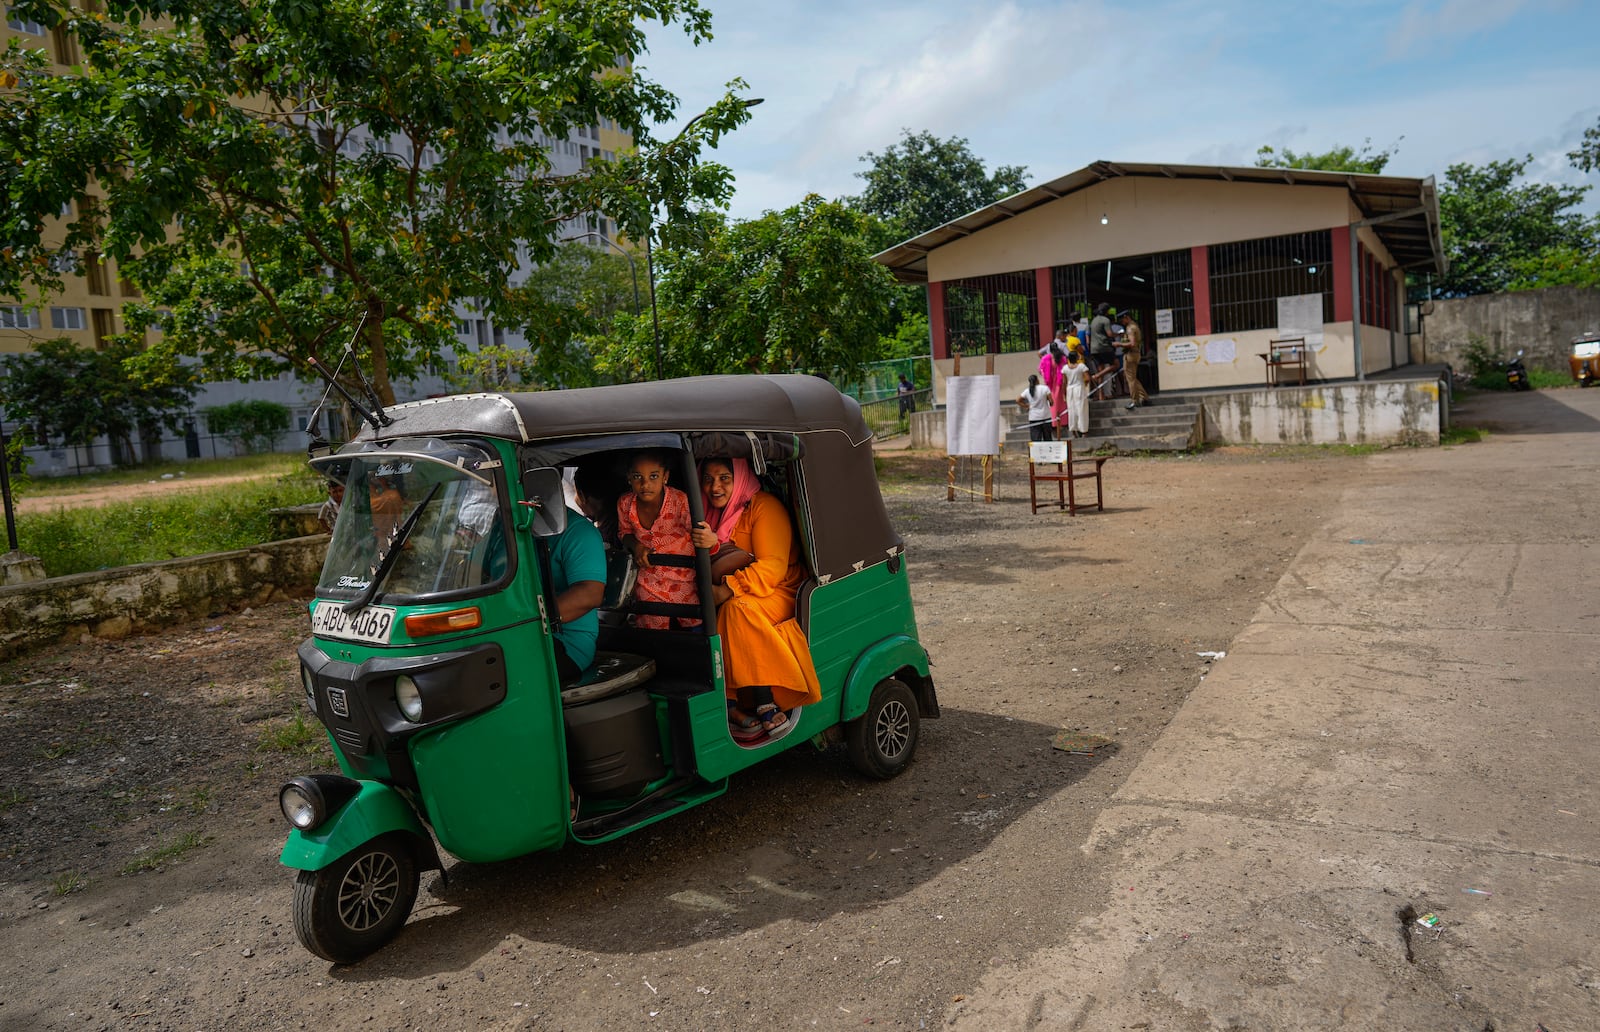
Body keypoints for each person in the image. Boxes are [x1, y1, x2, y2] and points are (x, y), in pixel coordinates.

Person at [690, 457, 821, 740]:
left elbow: (772, 568)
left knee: (737, 609)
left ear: (739, 478)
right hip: (739, 590)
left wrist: (726, 589)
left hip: (779, 589)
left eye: (725, 478)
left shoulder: (764, 507)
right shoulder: (706, 514)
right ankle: (726, 704)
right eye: (708, 479)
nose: (715, 487)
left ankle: (761, 699)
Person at [616, 450, 699, 630]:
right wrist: (637, 546)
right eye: (638, 476)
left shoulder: (679, 501)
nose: (645, 484)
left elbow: (697, 532)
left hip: (683, 579)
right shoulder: (625, 503)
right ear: (629, 478)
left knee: (693, 631)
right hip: (648, 580)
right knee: (653, 637)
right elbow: (624, 532)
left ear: (665, 477)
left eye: (653, 476)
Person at [547, 506, 606, 685]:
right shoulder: (502, 525)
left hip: (563, 641)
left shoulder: (578, 531)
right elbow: (475, 572)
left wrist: (522, 621)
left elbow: (590, 594)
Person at [1119, 311, 1150, 408]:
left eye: (1122, 319)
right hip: (1135, 354)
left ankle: (1134, 400)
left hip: (1131, 354)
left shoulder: (1130, 328)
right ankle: (1144, 397)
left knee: (1131, 379)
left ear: (1126, 317)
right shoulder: (1134, 326)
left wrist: (1119, 344)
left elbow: (1132, 343)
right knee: (1132, 378)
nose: (1121, 322)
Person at [1038, 341, 1069, 439]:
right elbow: (1065, 370)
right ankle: (1063, 421)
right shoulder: (1062, 358)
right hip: (1059, 383)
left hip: (1050, 384)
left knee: (1052, 403)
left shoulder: (1045, 358)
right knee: (1061, 402)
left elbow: (1040, 370)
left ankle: (1054, 422)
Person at [1064, 349, 1091, 437]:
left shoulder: (1065, 368)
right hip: (1079, 388)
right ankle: (1083, 431)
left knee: (1071, 410)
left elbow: (1064, 382)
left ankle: (1073, 430)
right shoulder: (1081, 366)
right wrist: (1085, 384)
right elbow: (1087, 378)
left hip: (1070, 390)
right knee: (1082, 409)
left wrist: (1064, 394)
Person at [1018, 373, 1053, 442]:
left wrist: (1027, 406)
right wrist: (1049, 403)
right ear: (1037, 380)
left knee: (1035, 440)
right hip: (1045, 417)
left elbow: (1018, 400)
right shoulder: (1045, 388)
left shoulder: (1027, 391)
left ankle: (1036, 452)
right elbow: (1051, 401)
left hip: (1034, 418)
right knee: (1048, 439)